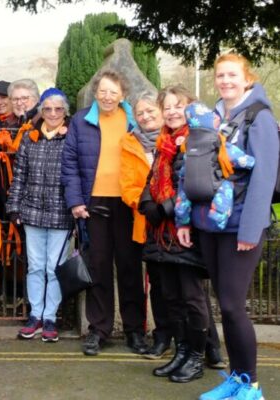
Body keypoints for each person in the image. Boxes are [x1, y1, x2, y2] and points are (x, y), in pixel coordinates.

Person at [180, 53, 278, 400]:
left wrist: (251, 230)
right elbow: (195, 169)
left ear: (247, 78)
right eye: (220, 75)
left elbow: (264, 178)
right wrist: (187, 219)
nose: (225, 81)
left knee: (234, 305)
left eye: (232, 75)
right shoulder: (212, 116)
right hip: (210, 224)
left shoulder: (259, 116)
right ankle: (237, 378)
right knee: (225, 304)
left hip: (241, 227)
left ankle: (251, 386)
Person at [61, 70, 147, 356]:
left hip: (128, 202)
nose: (107, 97)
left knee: (130, 267)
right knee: (98, 267)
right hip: (93, 203)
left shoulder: (134, 120)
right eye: (102, 91)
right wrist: (75, 201)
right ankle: (99, 329)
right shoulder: (80, 120)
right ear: (95, 93)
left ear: (123, 95)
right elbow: (70, 163)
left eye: (113, 92)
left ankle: (135, 331)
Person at [132, 85, 210, 383]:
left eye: (179, 105)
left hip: (186, 231)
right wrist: (147, 204)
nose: (173, 111)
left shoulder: (199, 138)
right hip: (162, 236)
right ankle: (182, 351)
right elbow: (151, 180)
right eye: (167, 107)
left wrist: (165, 208)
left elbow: (198, 183)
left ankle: (196, 358)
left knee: (192, 298)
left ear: (191, 107)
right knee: (171, 298)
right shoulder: (164, 143)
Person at [6, 88, 72, 342]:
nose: (53, 113)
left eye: (58, 109)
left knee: (54, 268)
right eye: (48, 109)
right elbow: (19, 175)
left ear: (65, 112)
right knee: (35, 267)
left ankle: (50, 317)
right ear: (41, 111)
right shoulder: (30, 137)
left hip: (60, 213)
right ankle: (35, 315)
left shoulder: (71, 137)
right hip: (32, 211)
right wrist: (14, 206)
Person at [118, 90, 170, 360]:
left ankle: (200, 342)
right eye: (140, 113)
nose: (146, 116)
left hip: (177, 221)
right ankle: (162, 336)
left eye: (151, 110)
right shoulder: (129, 143)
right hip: (147, 220)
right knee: (157, 283)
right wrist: (149, 206)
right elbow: (127, 185)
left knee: (185, 284)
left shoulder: (175, 137)